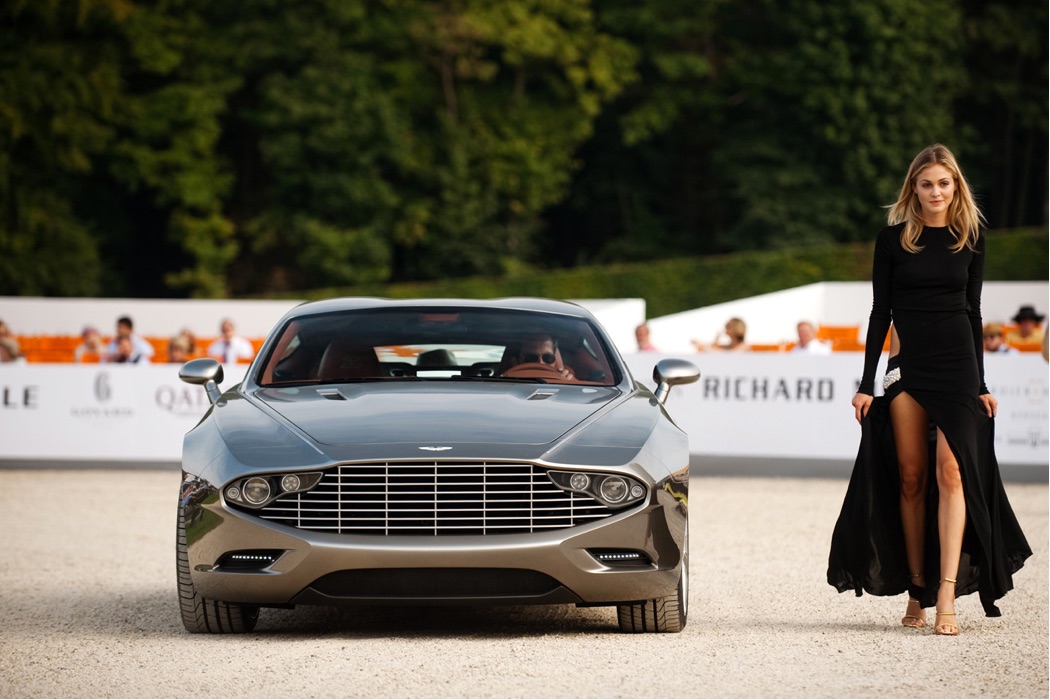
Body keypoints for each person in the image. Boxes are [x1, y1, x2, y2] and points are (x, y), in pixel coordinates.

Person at [827, 144, 1031, 636]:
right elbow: (880, 313)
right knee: (911, 479)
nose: (936, 192)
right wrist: (866, 384)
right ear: (913, 189)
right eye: (926, 184)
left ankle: (946, 591)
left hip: (958, 370)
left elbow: (973, 312)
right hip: (907, 369)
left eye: (944, 183)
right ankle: (916, 587)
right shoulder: (892, 240)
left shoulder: (971, 238)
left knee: (953, 473)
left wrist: (981, 383)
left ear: (955, 186)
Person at [502, 331, 575, 381]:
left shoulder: (567, 379)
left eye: (548, 358)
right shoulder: (501, 386)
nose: (540, 363)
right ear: (515, 361)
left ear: (555, 360)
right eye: (530, 358)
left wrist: (568, 384)